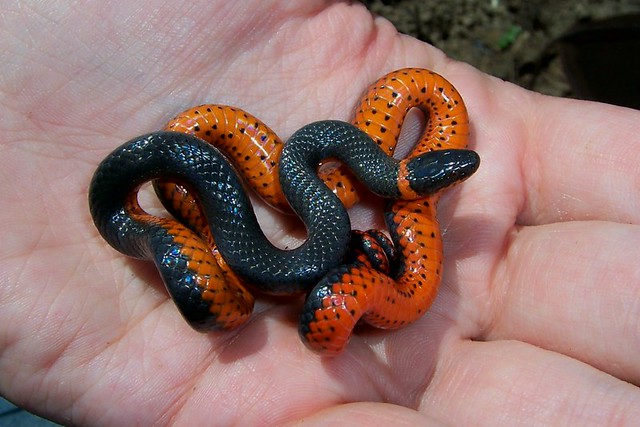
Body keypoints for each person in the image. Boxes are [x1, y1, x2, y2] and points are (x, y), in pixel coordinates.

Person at [1, 1, 638, 425]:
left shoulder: (338, 171)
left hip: (318, 238)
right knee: (215, 222)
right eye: (446, 168)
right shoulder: (317, 173)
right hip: (254, 227)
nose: (460, 163)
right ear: (402, 179)